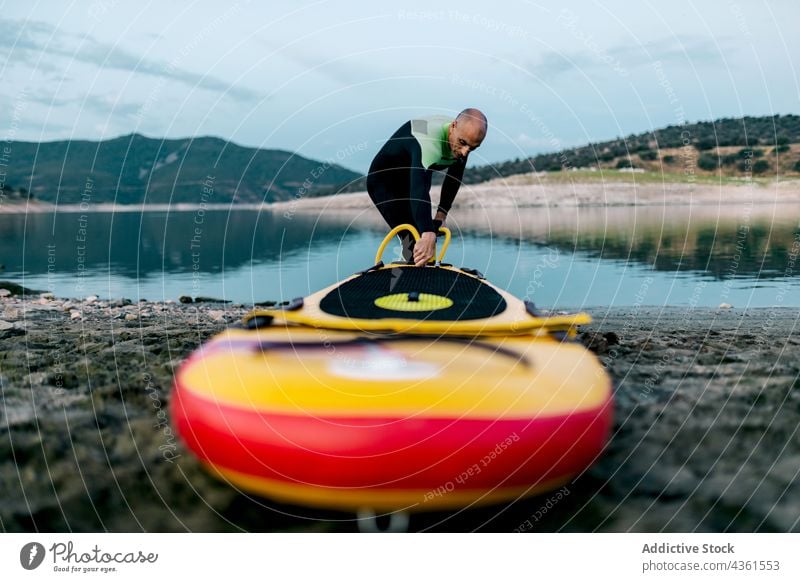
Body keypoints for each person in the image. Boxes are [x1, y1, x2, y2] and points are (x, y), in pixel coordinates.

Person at [367, 108, 487, 266]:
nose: (465, 153)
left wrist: (441, 215)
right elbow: (419, 190)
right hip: (384, 182)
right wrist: (427, 232)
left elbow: (453, 178)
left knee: (426, 241)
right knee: (413, 240)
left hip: (412, 176)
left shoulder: (463, 138)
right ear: (453, 127)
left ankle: (420, 273)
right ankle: (403, 279)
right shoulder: (428, 141)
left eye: (472, 148)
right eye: (463, 144)